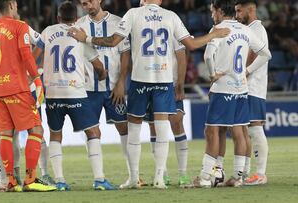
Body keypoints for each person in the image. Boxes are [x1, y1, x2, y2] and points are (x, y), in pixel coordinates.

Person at [69, 0, 230, 189]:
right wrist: (214, 35)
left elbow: (113, 41)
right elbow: (191, 45)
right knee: (162, 130)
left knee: (135, 131)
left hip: (140, 80)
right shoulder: (171, 16)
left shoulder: (133, 14)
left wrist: (86, 38)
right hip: (163, 81)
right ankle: (160, 178)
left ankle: (134, 178)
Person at [32, 1, 115, 191]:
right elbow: (98, 66)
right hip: (75, 92)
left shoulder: (48, 32)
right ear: (76, 19)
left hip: (52, 94)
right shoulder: (80, 34)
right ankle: (99, 179)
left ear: (58, 18)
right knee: (93, 133)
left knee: (55, 135)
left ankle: (60, 181)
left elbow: (33, 55)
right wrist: (102, 75)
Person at [0, 0, 56, 192]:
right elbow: (26, 53)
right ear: (12, 5)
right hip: (17, 87)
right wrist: (37, 81)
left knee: (5, 134)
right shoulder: (19, 26)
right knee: (36, 130)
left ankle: (11, 181)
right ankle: (30, 180)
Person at [194, 0, 271, 188]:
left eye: (213, 12)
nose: (212, 15)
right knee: (240, 131)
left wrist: (212, 74)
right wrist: (246, 72)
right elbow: (266, 54)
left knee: (212, 130)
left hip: (222, 88)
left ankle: (205, 177)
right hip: (241, 88)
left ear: (220, 11)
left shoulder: (219, 29)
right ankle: (238, 176)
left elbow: (206, 56)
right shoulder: (245, 30)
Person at [76, 0, 147, 187]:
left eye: (90, 2)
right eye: (84, 4)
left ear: (99, 0)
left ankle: (134, 176)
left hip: (114, 87)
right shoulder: (79, 25)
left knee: (124, 128)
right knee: (91, 131)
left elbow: (125, 53)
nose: (88, 6)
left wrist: (121, 82)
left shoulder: (118, 22)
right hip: (88, 89)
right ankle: (99, 178)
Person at [146, 40, 191, 187]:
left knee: (177, 123)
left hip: (171, 84)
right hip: (150, 83)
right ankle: (162, 173)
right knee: (154, 127)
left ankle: (183, 174)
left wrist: (180, 84)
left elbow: (183, 56)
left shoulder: (174, 28)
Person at [235, 0, 269, 185]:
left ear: (251, 10)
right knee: (246, 129)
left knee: (254, 128)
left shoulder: (257, 29)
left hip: (252, 87)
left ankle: (261, 174)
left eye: (240, 11)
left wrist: (245, 73)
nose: (237, 15)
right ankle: (247, 172)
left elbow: (258, 55)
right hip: (248, 86)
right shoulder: (251, 29)